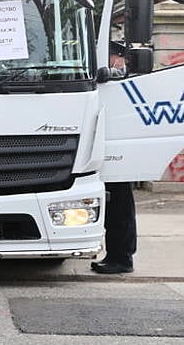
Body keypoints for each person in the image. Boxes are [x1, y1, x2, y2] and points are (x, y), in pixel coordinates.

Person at [91, 40, 136, 274]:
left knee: (119, 204)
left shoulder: (124, 79)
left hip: (117, 151)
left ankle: (121, 257)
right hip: (107, 147)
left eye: (109, 57)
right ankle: (118, 254)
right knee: (116, 204)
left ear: (118, 57)